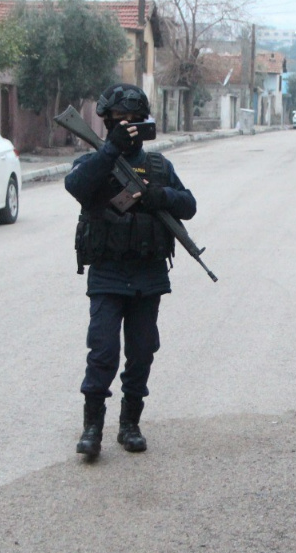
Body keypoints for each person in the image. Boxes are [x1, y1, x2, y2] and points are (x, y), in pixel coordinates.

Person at [64, 84, 197, 458]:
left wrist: (161, 196)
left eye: (135, 121)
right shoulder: (95, 161)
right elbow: (76, 185)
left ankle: (130, 424)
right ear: (106, 123)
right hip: (107, 274)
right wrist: (111, 150)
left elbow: (189, 205)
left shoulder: (158, 166)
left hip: (148, 275)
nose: (128, 127)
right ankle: (92, 428)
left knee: (141, 352)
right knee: (103, 351)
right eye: (119, 121)